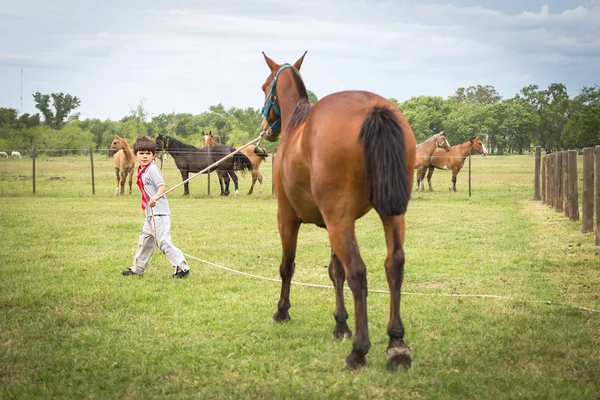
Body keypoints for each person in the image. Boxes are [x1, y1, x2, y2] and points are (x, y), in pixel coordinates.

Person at [121, 136, 190, 278]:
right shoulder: (142, 170)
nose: (145, 156)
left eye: (148, 153)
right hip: (150, 213)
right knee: (145, 241)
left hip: (159, 213)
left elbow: (162, 187)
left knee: (163, 241)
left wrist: (156, 197)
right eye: (141, 153)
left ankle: (182, 267)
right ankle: (137, 269)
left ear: (154, 155)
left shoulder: (152, 170)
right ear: (136, 155)